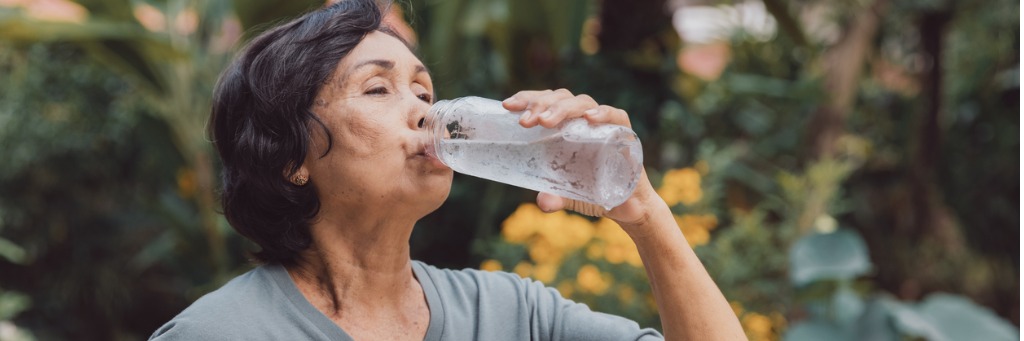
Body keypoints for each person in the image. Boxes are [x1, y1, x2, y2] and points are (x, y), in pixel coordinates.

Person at [149, 0, 745, 340]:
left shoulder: (511, 315)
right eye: (378, 88)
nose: (422, 112)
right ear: (289, 158)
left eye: (425, 92)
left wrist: (644, 212)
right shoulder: (221, 333)